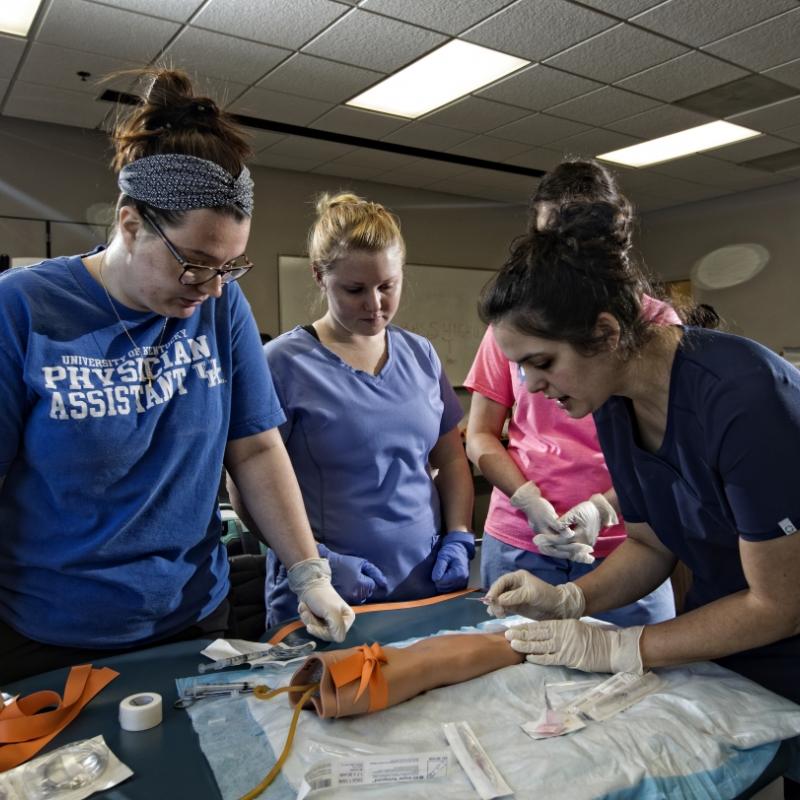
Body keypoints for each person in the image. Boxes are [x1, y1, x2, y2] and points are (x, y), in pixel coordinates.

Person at [0, 68, 353, 684]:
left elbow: (257, 447)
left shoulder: (218, 306)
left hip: (194, 619)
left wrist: (307, 572)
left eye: (228, 267)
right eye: (194, 263)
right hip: (50, 636)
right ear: (130, 223)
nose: (211, 287)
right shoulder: (22, 310)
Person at [479, 198, 800, 708]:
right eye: (520, 367)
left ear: (605, 333)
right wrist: (570, 600)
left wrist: (622, 645)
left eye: (541, 362)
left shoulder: (745, 399)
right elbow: (651, 546)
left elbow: (780, 604)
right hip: (733, 640)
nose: (531, 386)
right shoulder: (612, 400)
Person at [230, 193, 475, 626]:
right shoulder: (282, 364)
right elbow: (248, 489)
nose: (375, 304)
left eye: (387, 286)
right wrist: (315, 563)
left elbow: (452, 460)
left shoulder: (422, 355)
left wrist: (458, 535)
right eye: (355, 290)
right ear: (319, 277)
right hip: (324, 593)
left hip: (422, 585)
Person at [465, 159, 676, 626]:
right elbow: (480, 434)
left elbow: (670, 455)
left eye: (543, 363)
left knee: (638, 681)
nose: (536, 385)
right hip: (522, 539)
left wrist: (605, 507)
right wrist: (528, 500)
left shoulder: (657, 334)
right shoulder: (513, 325)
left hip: (627, 545)